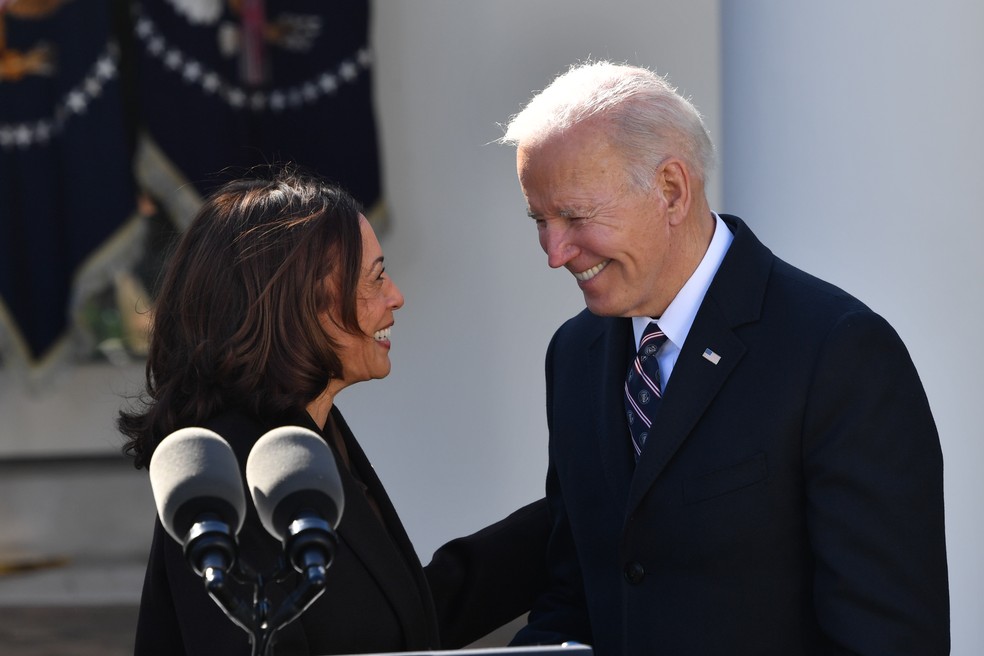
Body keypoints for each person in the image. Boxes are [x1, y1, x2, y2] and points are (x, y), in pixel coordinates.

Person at [498, 61, 949, 655]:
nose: (555, 253)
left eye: (576, 216)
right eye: (540, 221)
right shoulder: (575, 354)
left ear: (672, 190)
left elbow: (888, 638)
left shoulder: (838, 352)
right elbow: (574, 594)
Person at [119, 167, 548, 655]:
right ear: (295, 304)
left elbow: (400, 621)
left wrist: (574, 513)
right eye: (376, 277)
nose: (396, 297)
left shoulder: (306, 435)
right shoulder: (232, 470)